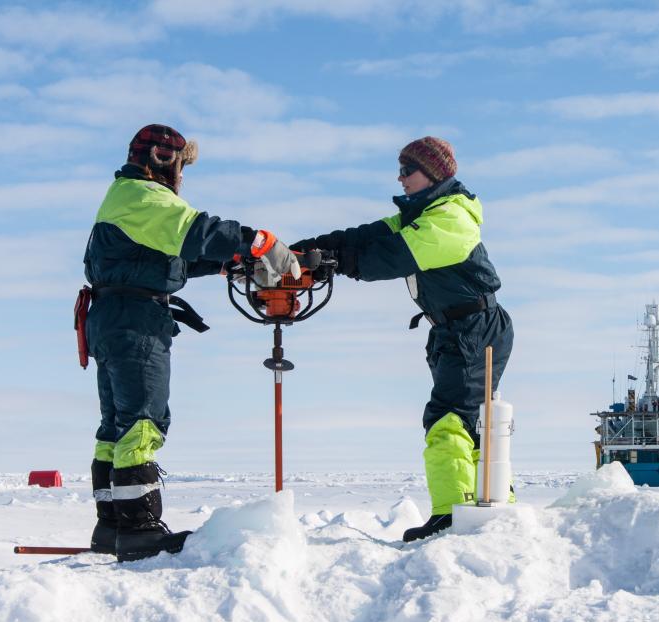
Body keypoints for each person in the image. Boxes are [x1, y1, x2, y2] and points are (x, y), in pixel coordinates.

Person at [83, 124, 300, 561]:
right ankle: (140, 528)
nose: (183, 176)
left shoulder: (127, 199)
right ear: (164, 161)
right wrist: (261, 244)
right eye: (182, 166)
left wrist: (227, 267)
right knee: (142, 422)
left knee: (116, 427)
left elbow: (163, 255)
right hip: (134, 320)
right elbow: (196, 231)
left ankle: (112, 527)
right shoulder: (145, 196)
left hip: (113, 315)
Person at [291, 136, 513, 541]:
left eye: (407, 170)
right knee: (470, 421)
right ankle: (493, 507)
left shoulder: (450, 218)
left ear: (432, 173)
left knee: (449, 419)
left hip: (473, 328)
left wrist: (335, 264)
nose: (400, 178)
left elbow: (393, 256)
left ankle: (452, 516)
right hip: (456, 328)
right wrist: (303, 251)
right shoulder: (422, 213)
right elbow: (364, 238)